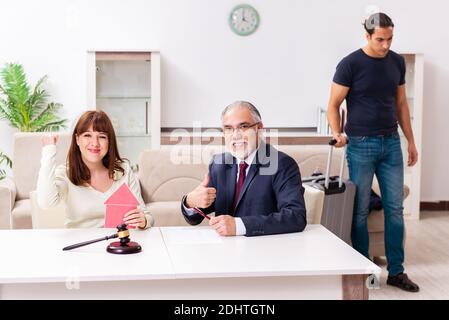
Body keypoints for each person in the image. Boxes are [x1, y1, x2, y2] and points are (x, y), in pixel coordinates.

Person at [327, 13, 419, 292]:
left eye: (390, 39)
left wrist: (411, 142)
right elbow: (333, 104)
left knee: (395, 210)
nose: (386, 45)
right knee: (360, 211)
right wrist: (337, 133)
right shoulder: (350, 64)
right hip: (360, 144)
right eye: (380, 39)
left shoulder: (396, 62)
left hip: (391, 143)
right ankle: (365, 271)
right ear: (366, 35)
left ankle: (396, 272)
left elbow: (401, 103)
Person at [181, 101, 307, 236]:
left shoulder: (282, 164)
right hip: (225, 250)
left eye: (243, 126)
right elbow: (195, 218)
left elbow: (295, 216)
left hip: (266, 250)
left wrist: (239, 226)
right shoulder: (219, 164)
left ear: (259, 128)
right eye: (228, 128)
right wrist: (191, 202)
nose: (236, 135)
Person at [37, 110, 153, 229]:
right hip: (80, 244)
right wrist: (48, 151)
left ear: (109, 141)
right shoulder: (66, 173)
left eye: (102, 137)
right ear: (77, 139)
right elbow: (46, 202)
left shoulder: (123, 170)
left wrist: (143, 220)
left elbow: (147, 216)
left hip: (115, 244)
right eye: (87, 135)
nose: (95, 143)